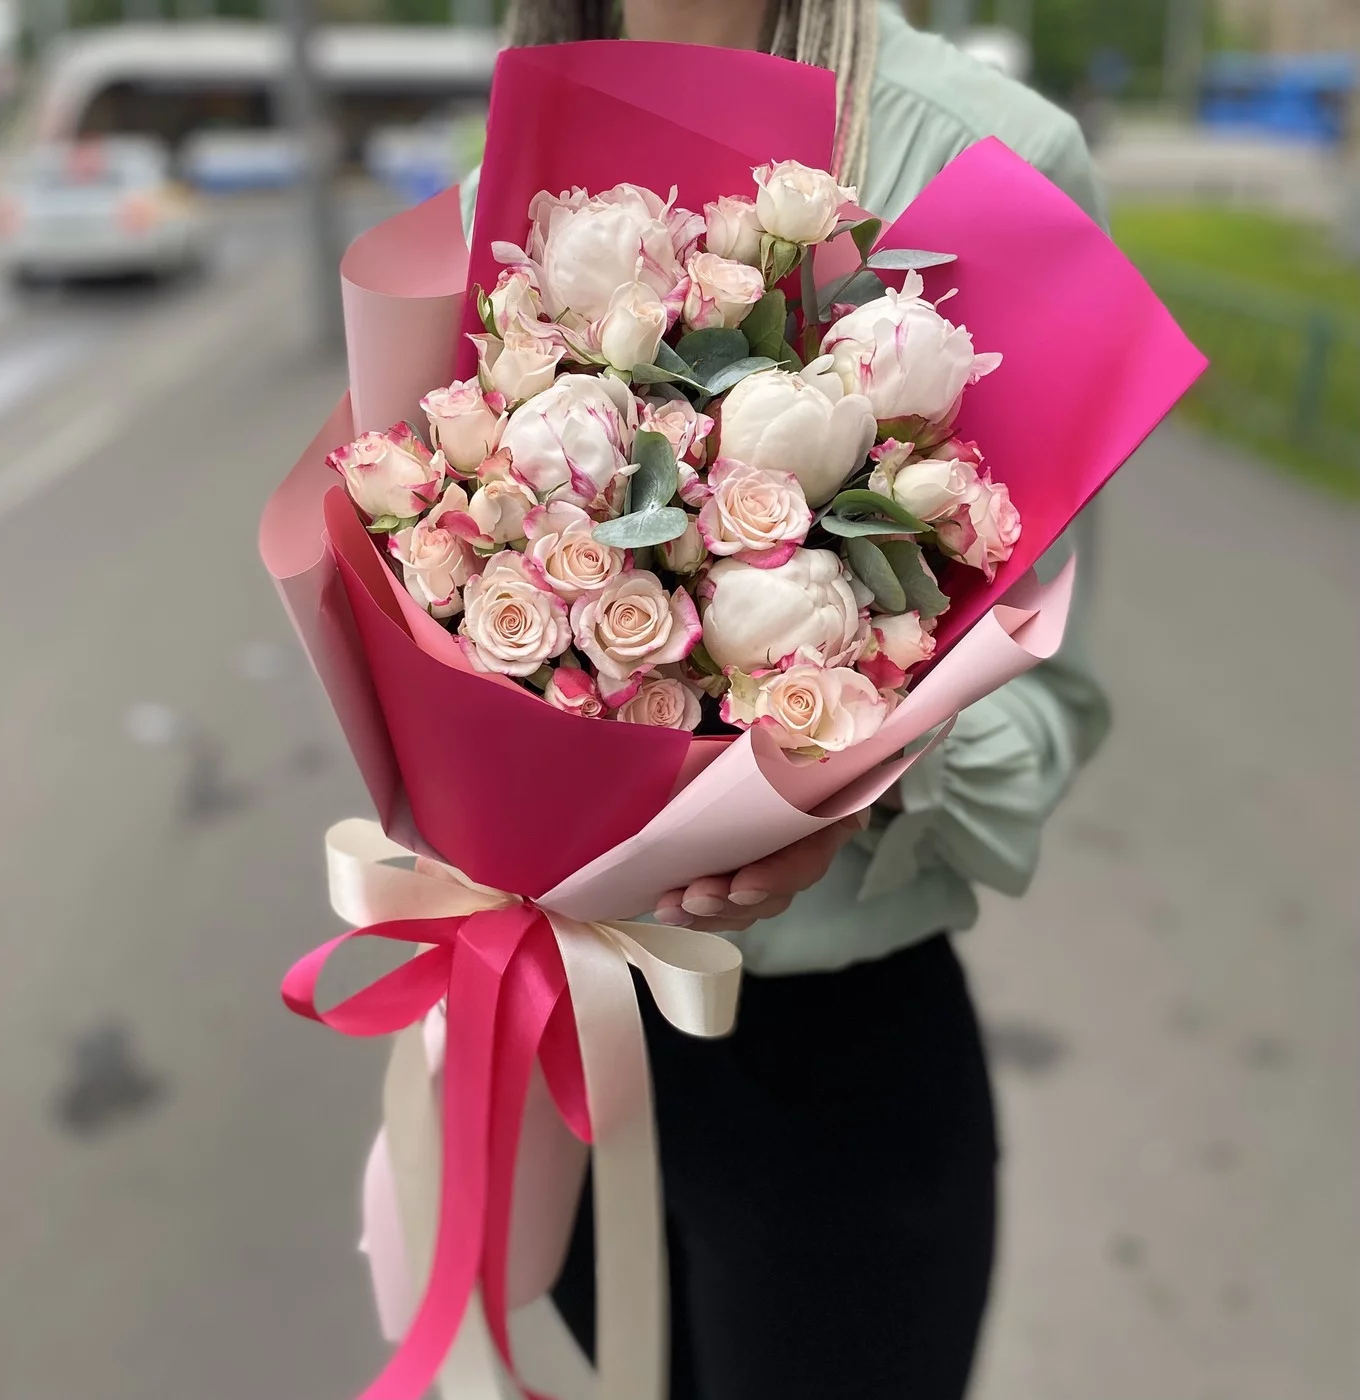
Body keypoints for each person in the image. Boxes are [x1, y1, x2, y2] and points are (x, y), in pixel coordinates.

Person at [474, 3, 1113, 1396]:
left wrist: (852, 770)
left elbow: (1046, 691)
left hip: (828, 1076)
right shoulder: (508, 161)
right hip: (555, 1029)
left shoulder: (983, 159)